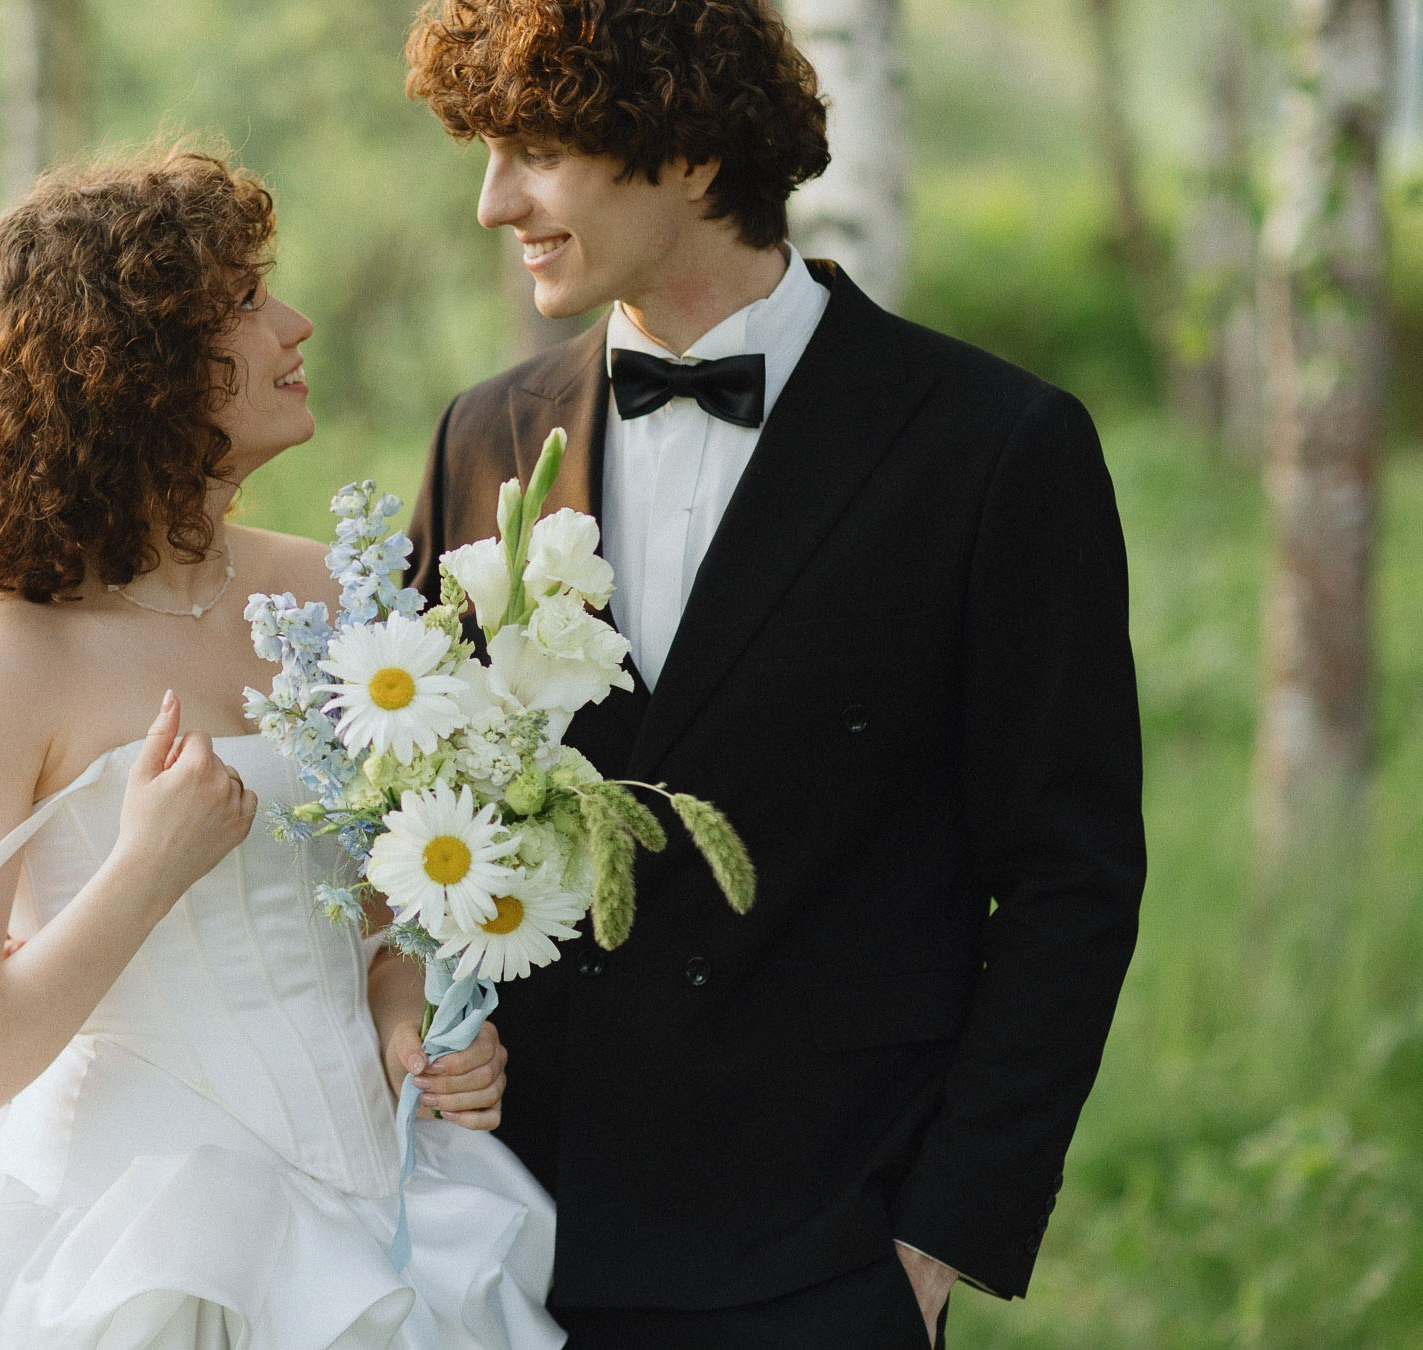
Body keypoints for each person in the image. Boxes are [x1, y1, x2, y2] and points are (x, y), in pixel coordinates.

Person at [0, 148, 565, 1349]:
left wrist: (403, 1019)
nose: (297, 324)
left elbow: (377, 914)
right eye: (250, 301)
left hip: (386, 1229)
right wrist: (142, 874)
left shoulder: (340, 595)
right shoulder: (1, 657)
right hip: (142, 1258)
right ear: (137, 367)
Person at [400, 2, 1145, 1344]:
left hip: (826, 1246)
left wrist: (936, 1238)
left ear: (686, 155)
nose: (491, 202)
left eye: (532, 151)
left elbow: (1070, 877)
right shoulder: (482, 435)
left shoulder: (996, 447)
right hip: (506, 1235)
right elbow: (409, 816)